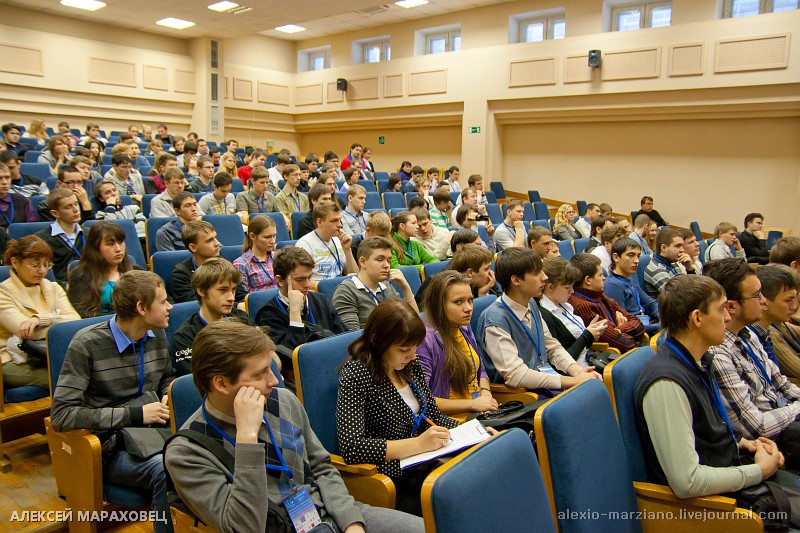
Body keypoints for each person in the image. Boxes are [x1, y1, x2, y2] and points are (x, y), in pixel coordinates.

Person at [165, 320, 423, 533]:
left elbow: (322, 467)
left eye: (271, 369)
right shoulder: (187, 453)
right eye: (259, 374)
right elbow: (244, 526)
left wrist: (350, 522)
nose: (273, 381)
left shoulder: (283, 400)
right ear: (221, 383)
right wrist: (246, 439)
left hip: (325, 514)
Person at [633, 274, 783, 499]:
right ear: (697, 318)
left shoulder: (699, 361)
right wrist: (759, 471)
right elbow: (687, 481)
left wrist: (744, 444)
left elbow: (704, 431)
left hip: (729, 472)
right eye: (722, 309)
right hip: (709, 508)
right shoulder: (667, 383)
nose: (728, 316)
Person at [51, 270, 175, 533]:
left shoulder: (157, 334)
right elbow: (62, 416)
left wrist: (168, 393)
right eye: (162, 302)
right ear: (142, 308)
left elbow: (166, 376)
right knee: (169, 467)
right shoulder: (87, 344)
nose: (170, 307)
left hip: (154, 433)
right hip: (108, 447)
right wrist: (135, 414)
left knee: (203, 453)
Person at [337, 299, 461, 515]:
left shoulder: (409, 366)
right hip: (394, 475)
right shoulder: (356, 374)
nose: (413, 355)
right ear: (378, 341)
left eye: (415, 348)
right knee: (458, 495)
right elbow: (352, 447)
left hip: (427, 462)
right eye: (404, 349)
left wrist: (471, 431)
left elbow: (432, 415)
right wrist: (418, 444)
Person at [705, 259, 800, 456]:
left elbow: (781, 384)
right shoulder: (718, 353)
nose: (764, 301)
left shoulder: (747, 334)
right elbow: (758, 428)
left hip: (784, 420)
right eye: (757, 295)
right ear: (731, 306)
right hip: (769, 444)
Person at [476, 247, 602, 394]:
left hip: (543, 385)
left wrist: (577, 371)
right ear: (516, 280)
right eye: (536, 273)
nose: (544, 277)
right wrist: (570, 381)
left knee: (594, 387)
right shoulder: (494, 319)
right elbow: (516, 375)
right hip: (521, 396)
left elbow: (551, 346)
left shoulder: (531, 304)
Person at [0, 236, 81, 391]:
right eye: (35, 265)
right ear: (15, 262)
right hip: (12, 360)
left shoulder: (53, 288)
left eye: (46, 265)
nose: (42, 271)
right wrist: (56, 319)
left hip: (50, 356)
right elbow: (26, 332)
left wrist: (39, 320)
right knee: (70, 382)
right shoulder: (2, 293)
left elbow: (74, 322)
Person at [417, 271, 499, 416]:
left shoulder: (464, 327)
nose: (468, 308)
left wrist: (485, 392)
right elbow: (422, 400)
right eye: (458, 302)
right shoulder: (425, 340)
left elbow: (481, 371)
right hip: (450, 422)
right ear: (439, 305)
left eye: (470, 300)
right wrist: (473, 404)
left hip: (478, 412)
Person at [254, 246, 347, 365]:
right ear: (280, 280)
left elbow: (344, 337)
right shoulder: (267, 314)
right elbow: (292, 358)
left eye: (309, 277)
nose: (308, 284)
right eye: (300, 280)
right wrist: (294, 312)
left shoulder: (320, 299)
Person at [171, 258, 254, 376]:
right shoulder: (185, 337)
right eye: (223, 290)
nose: (231, 297)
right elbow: (199, 381)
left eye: (233, 290)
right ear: (201, 291)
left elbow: (272, 360)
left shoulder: (242, 319)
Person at [331, 236, 418, 330]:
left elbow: (414, 323)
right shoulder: (346, 291)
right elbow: (352, 337)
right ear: (363, 262)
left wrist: (406, 288)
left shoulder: (386, 286)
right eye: (380, 260)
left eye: (388, 260)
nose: (386, 265)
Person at [569, 253, 646, 353]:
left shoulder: (599, 295)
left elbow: (639, 324)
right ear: (588, 280)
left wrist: (619, 329)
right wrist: (622, 328)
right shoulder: (583, 306)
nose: (604, 278)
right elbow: (626, 343)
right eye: (600, 275)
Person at [538, 257, 607, 366]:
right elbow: (560, 361)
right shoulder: (544, 315)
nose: (572, 291)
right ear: (550, 287)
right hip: (574, 371)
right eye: (567, 287)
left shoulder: (563, 304)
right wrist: (588, 335)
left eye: (572, 286)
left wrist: (593, 331)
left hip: (588, 360)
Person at [67, 221, 138, 318]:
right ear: (96, 248)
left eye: (120, 242)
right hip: (99, 329)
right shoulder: (81, 276)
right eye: (110, 243)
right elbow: (82, 314)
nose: (118, 248)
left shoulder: (136, 271)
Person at [170, 220, 246, 304]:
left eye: (215, 238)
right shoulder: (181, 274)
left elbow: (241, 296)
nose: (217, 243)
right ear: (193, 248)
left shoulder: (225, 265)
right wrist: (237, 307)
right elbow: (196, 305)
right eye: (209, 240)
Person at [604, 237, 660, 334]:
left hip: (647, 326)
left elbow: (650, 304)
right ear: (616, 257)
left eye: (638, 256)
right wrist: (660, 326)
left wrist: (662, 318)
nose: (636, 261)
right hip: (639, 335)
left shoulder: (630, 279)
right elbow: (625, 325)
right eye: (631, 255)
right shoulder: (613, 286)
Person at [754, 265, 800, 380]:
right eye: (788, 300)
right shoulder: (771, 334)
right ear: (764, 301)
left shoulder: (777, 322)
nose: (794, 306)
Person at [296, 201, 357, 281]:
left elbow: (355, 275)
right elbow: (302, 280)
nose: (340, 225)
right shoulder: (305, 244)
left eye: (339, 220)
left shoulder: (338, 241)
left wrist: (347, 249)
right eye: (334, 221)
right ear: (319, 222)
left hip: (341, 289)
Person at [35, 189, 86, 285]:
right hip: (57, 290)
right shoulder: (41, 239)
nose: (75, 209)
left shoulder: (90, 233)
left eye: (76, 204)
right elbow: (42, 274)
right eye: (68, 207)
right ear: (55, 213)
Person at [644, 228, 696, 299]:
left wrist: (689, 269)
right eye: (678, 246)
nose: (682, 250)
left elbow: (690, 287)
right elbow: (679, 297)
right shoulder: (655, 269)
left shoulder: (673, 263)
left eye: (682, 246)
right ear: (664, 248)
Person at [233, 215, 278, 293]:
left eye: (274, 236)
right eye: (267, 237)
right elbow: (242, 296)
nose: (273, 241)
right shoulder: (241, 264)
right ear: (252, 236)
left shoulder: (278, 257)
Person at [0, 162, 36, 228]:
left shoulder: (21, 200)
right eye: (0, 178)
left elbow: (31, 227)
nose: (4, 182)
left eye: (7, 177)